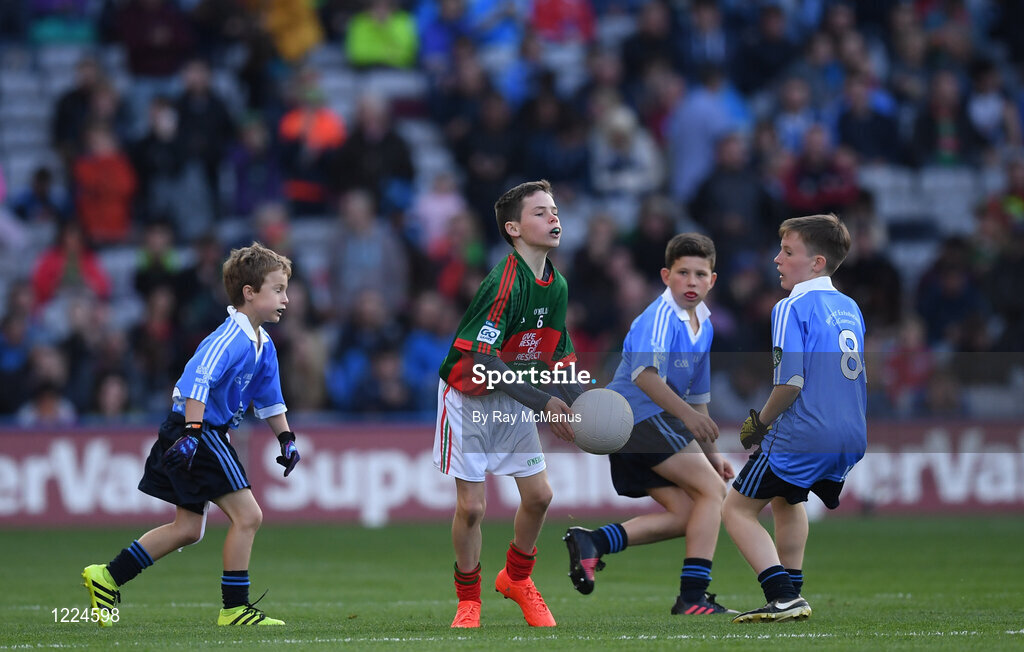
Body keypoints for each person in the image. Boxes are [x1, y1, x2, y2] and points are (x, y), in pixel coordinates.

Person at [81, 243, 301, 627]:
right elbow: (194, 381)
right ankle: (234, 608)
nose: (286, 298)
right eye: (278, 289)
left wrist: (286, 438)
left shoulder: (263, 344)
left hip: (196, 431)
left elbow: (270, 399)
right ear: (250, 293)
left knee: (188, 529)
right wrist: (194, 433)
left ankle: (107, 576)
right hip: (198, 430)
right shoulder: (229, 337)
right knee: (248, 516)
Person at [563, 233, 736, 616]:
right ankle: (692, 597)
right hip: (636, 418)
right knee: (712, 493)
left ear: (713, 280)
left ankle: (594, 541)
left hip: (649, 424)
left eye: (700, 274)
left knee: (689, 514)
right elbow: (645, 375)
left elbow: (699, 403)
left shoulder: (703, 326)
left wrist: (714, 455)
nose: (691, 281)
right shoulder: (659, 316)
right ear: (665, 275)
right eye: (682, 273)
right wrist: (689, 419)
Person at [435, 180, 579, 629]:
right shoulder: (505, 281)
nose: (553, 217)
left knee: (539, 496)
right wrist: (545, 404)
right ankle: (469, 601)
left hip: (512, 391)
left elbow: (559, 354)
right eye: (540, 212)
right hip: (468, 395)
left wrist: (586, 400)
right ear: (513, 228)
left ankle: (517, 579)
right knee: (472, 508)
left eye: (554, 210)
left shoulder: (556, 286)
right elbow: (482, 358)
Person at [722, 213, 867, 623]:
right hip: (851, 432)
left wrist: (758, 423)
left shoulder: (790, 306)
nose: (776, 260)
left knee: (736, 509)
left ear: (817, 262)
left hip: (805, 431)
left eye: (787, 252)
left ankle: (782, 595)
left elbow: (790, 384)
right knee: (788, 498)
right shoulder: (849, 306)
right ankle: (794, 591)